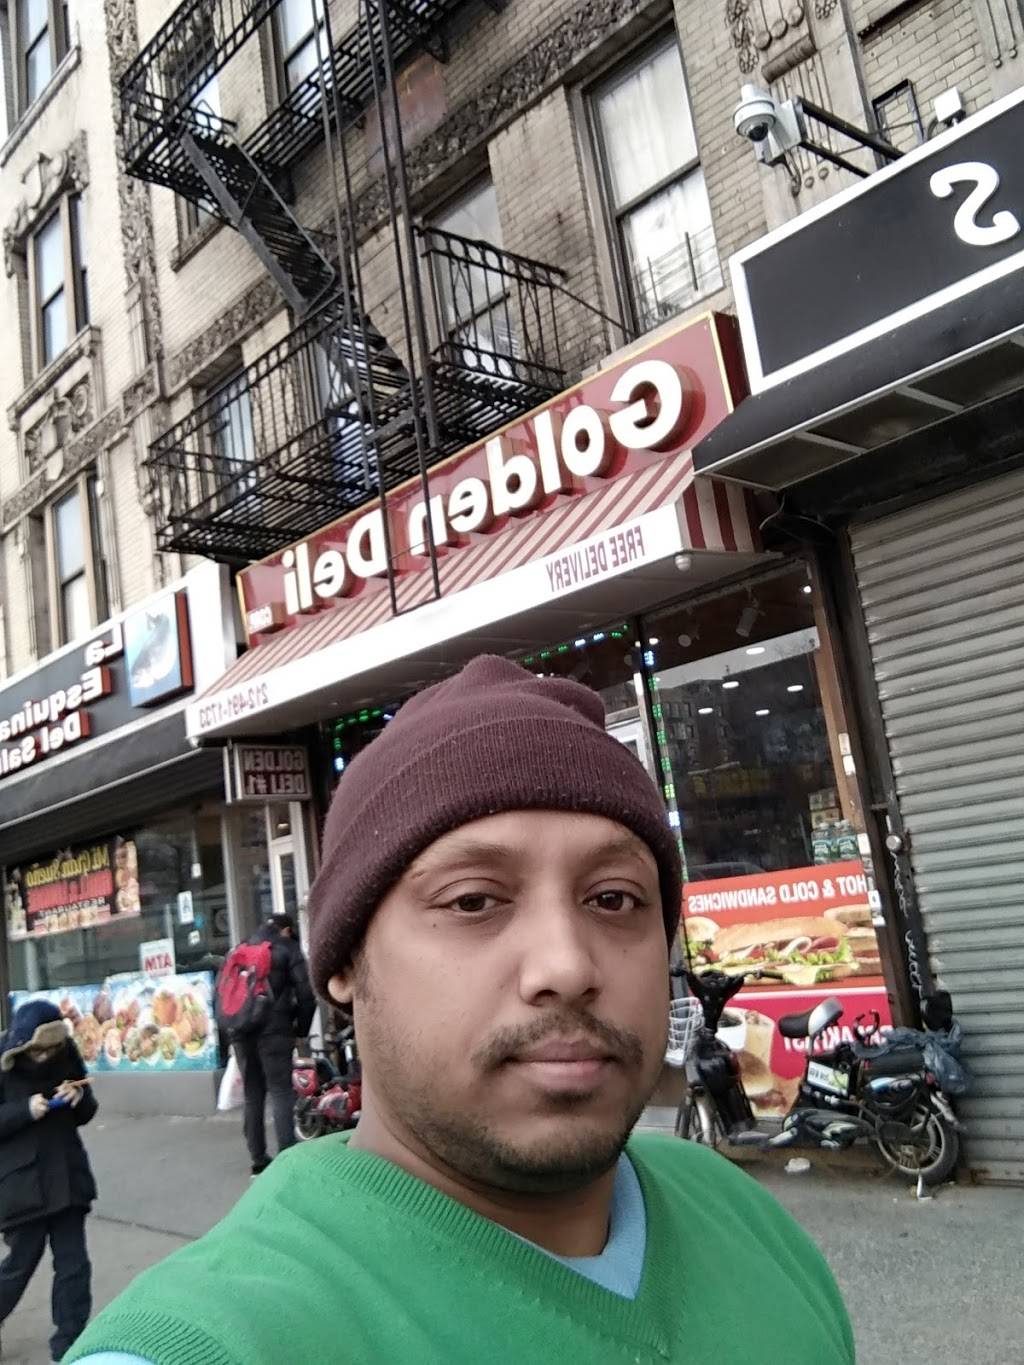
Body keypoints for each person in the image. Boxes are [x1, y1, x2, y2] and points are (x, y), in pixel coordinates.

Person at [68, 657, 854, 1365]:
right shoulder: (223, 1335)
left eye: (614, 898)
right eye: (474, 900)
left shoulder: (742, 1213)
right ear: (342, 963)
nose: (567, 965)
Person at [0, 1000, 98, 1362]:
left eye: (51, 1049)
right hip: (22, 1183)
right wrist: (24, 1110)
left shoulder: (65, 1051)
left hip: (67, 1175)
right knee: (19, 1264)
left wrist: (78, 1097)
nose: (45, 1057)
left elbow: (87, 1110)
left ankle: (69, 1344)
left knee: (74, 1265)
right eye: (37, 1050)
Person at [233, 914, 315, 1175]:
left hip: (243, 1030)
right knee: (281, 1092)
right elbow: (307, 994)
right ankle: (287, 1157)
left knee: (253, 1094)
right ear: (287, 930)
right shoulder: (287, 948)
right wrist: (301, 1029)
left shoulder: (241, 947)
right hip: (275, 1030)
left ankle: (258, 1159)